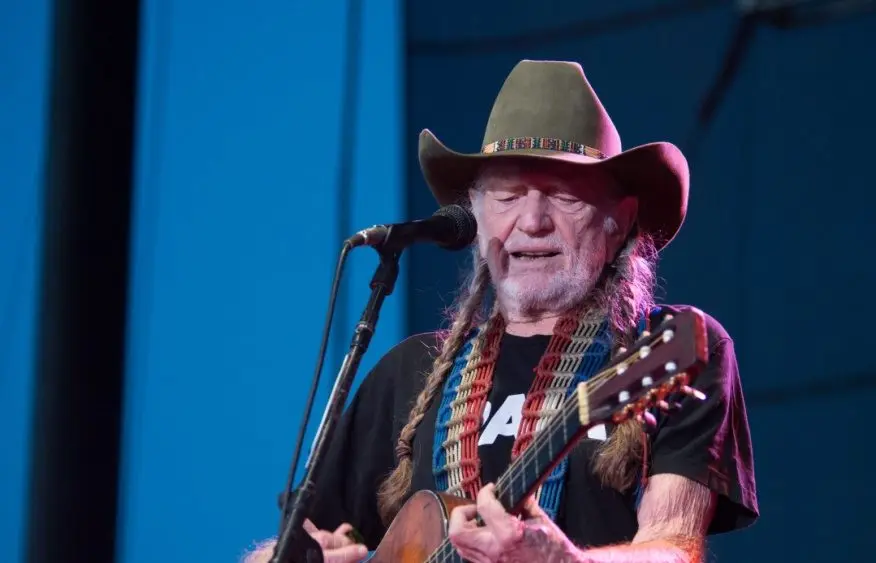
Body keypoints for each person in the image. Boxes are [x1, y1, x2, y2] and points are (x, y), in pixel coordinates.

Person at [245, 59, 758, 563]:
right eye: (508, 196)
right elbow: (293, 546)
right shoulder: (409, 374)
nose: (532, 221)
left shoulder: (670, 346)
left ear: (619, 222)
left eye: (563, 196)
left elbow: (672, 547)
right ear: (476, 213)